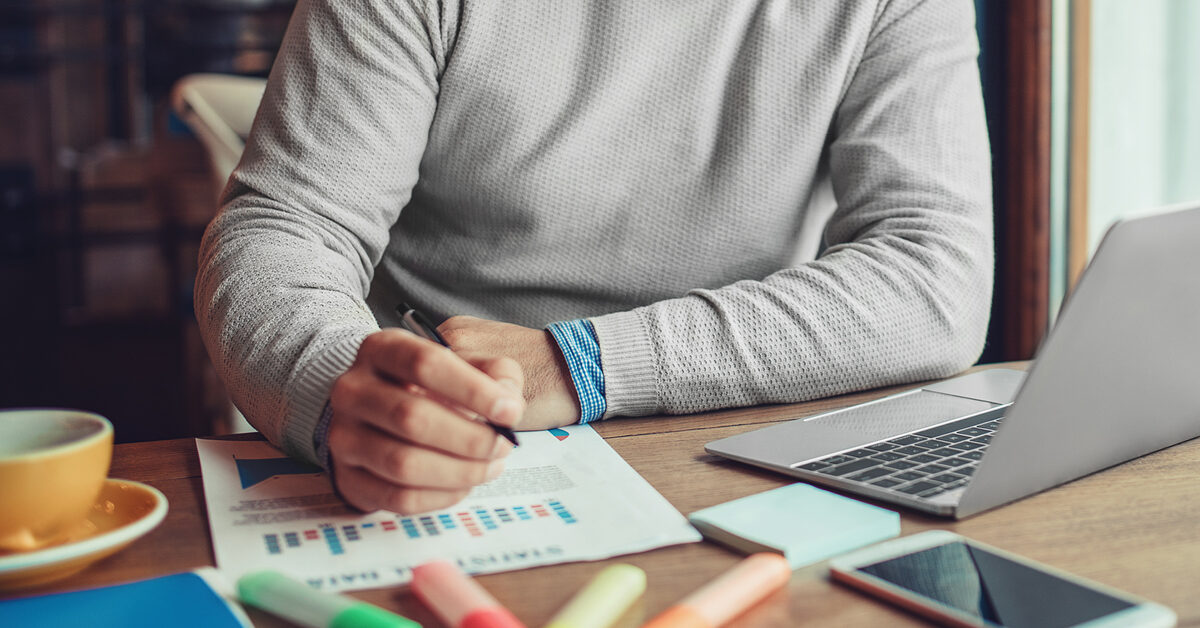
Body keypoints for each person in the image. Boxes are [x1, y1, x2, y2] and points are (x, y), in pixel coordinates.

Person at [196, 0, 993, 515]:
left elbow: (936, 273)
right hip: (458, 453)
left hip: (744, 440)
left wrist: (579, 362)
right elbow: (284, 226)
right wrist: (338, 385)